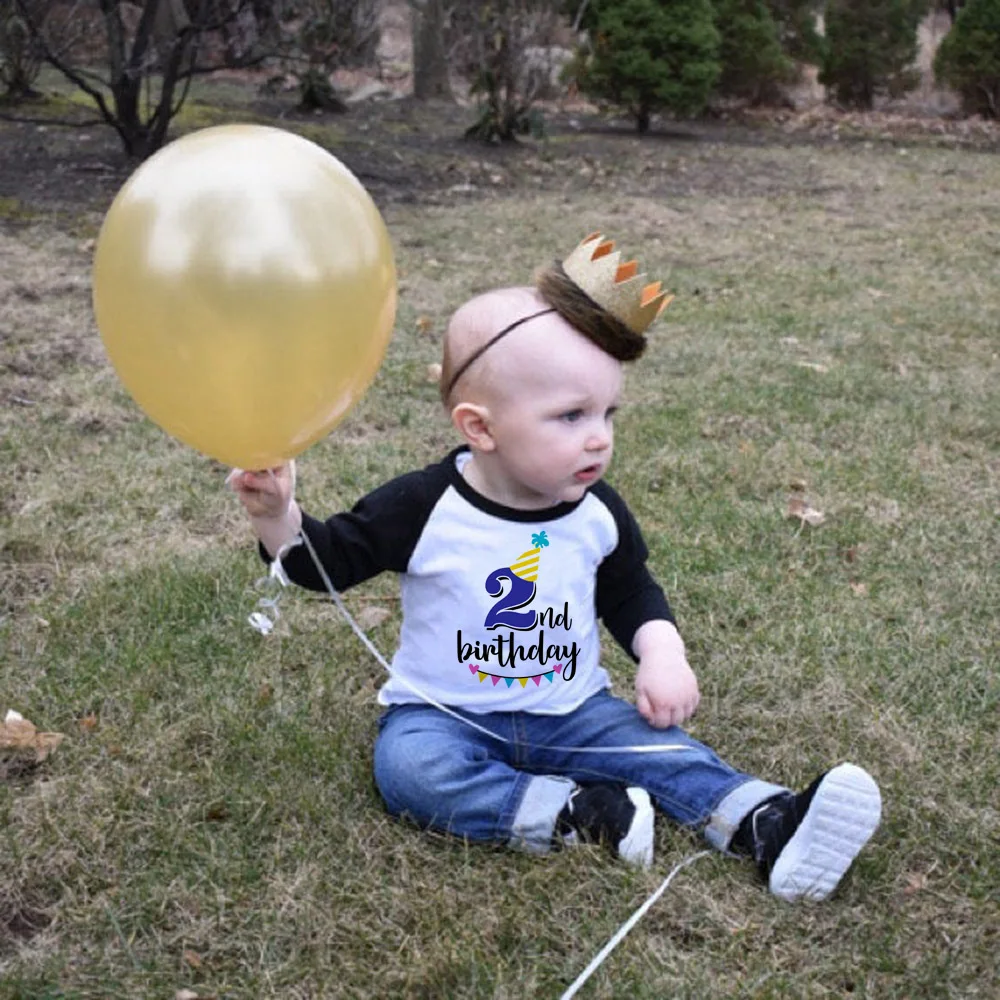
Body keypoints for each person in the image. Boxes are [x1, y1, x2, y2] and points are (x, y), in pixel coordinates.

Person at [229, 234, 881, 902]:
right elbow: (325, 566)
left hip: (572, 712)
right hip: (444, 715)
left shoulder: (597, 512)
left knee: (662, 751)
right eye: (570, 415)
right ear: (480, 428)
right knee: (409, 771)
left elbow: (630, 591)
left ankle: (766, 821)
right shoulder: (423, 506)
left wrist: (663, 653)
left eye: (607, 413)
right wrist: (277, 515)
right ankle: (577, 815)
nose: (599, 436)